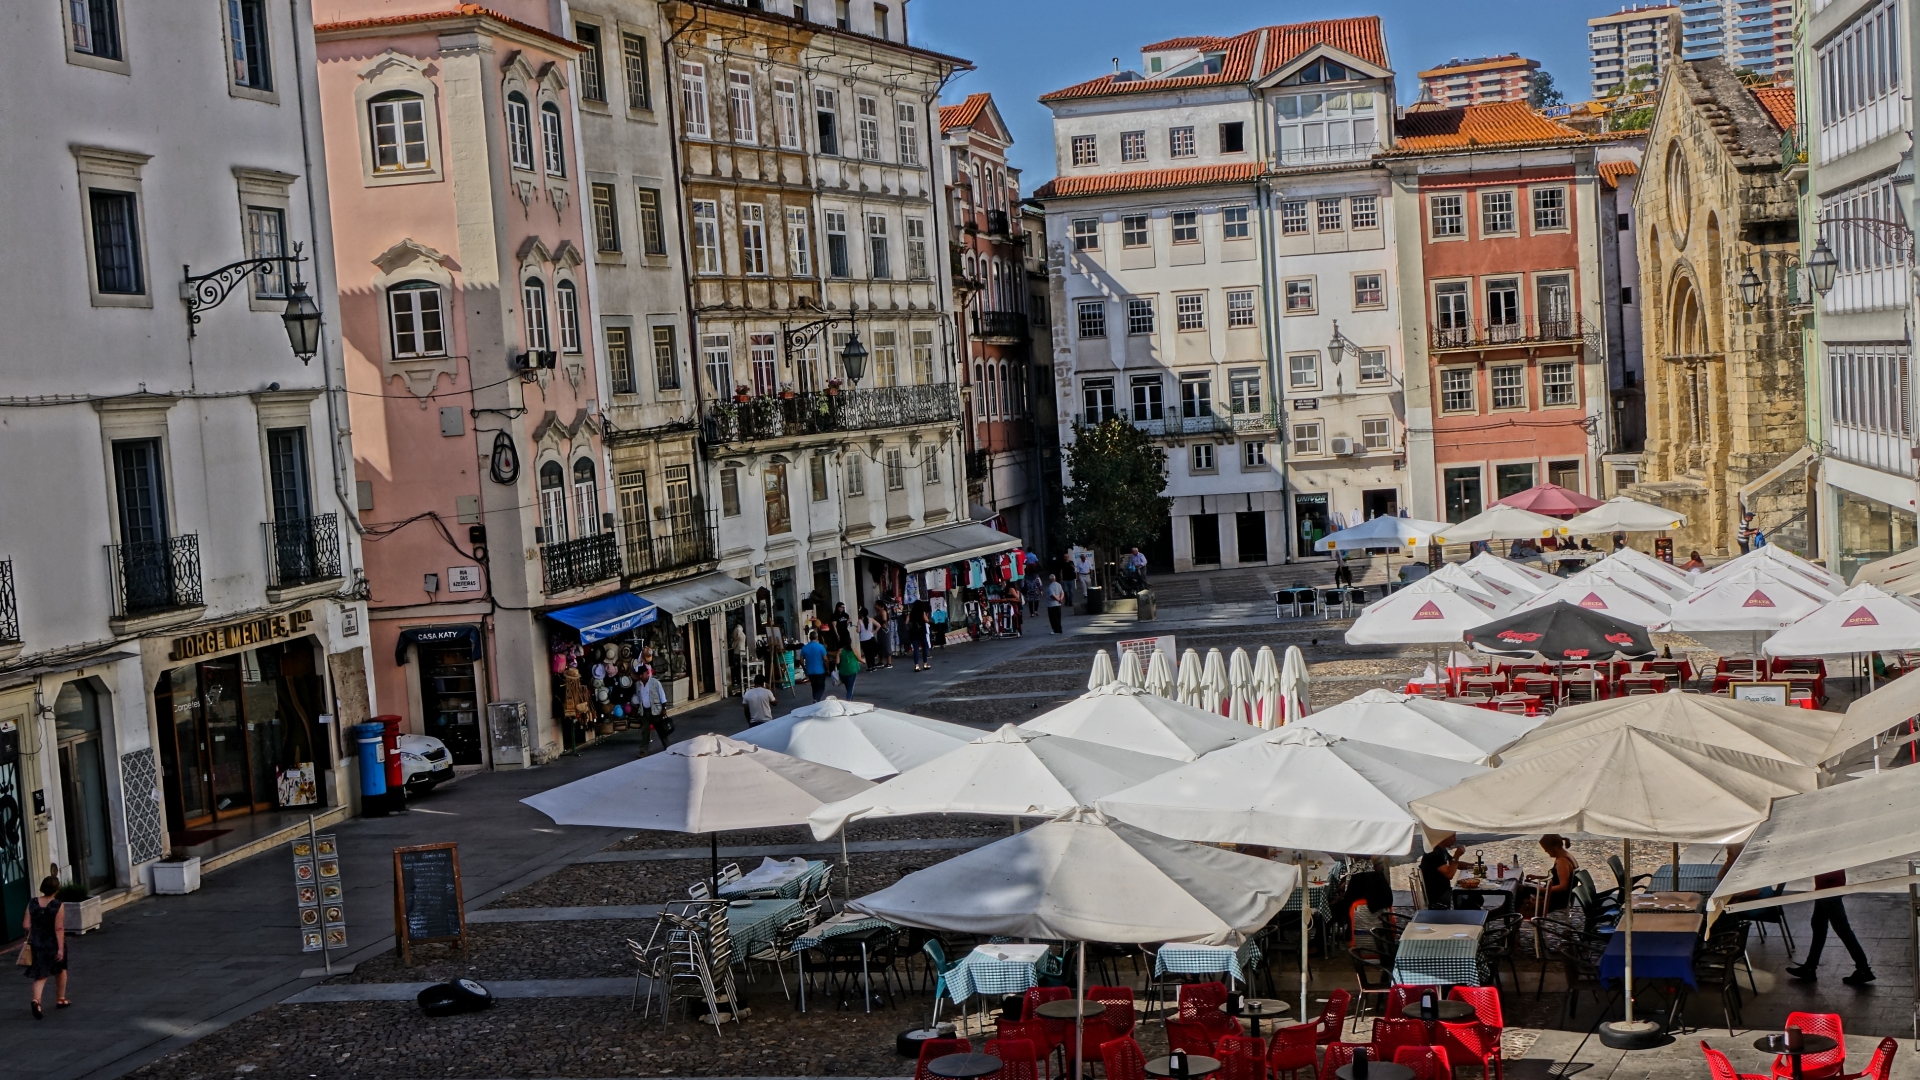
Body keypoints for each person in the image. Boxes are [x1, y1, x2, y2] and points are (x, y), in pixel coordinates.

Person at [1787, 868, 1875, 984]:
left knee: (1841, 929)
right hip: (1827, 887)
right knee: (1819, 925)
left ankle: (1863, 969)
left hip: (1828, 887)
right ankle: (1810, 966)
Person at [22, 875, 67, 1018]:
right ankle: (60, 998)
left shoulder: (33, 903)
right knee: (60, 969)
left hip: (36, 942)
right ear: (56, 889)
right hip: (52, 942)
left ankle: (36, 1001)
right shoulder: (57, 905)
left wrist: (34, 931)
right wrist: (60, 948)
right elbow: (58, 928)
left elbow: (26, 925)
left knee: (40, 975)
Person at [1516, 834, 1579, 916]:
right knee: (1525, 884)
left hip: (1557, 898)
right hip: (1556, 894)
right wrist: (1536, 877)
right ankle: (1521, 911)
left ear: (1554, 847)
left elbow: (1563, 886)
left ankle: (1518, 912)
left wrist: (1544, 890)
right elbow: (1556, 877)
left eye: (1547, 849)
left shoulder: (1562, 861)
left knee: (1520, 889)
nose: (1546, 852)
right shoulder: (1565, 856)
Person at [1419, 834, 1464, 910]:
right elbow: (1449, 874)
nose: (1455, 840)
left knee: (1475, 898)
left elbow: (1454, 864)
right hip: (1438, 897)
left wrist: (1475, 866)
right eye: (1453, 837)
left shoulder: (1441, 850)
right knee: (1470, 898)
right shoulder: (1434, 853)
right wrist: (1456, 856)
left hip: (1445, 891)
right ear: (1443, 837)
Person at [633, 665, 671, 753]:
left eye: (642, 674)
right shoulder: (638, 685)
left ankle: (668, 747)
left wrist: (664, 708)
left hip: (655, 710)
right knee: (645, 732)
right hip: (645, 711)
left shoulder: (655, 682)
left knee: (661, 730)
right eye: (639, 675)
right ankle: (643, 750)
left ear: (646, 673)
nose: (640, 676)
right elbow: (638, 697)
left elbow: (662, 695)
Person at [799, 633, 829, 702]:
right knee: (821, 687)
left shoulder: (804, 648)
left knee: (814, 687)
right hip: (820, 671)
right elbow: (825, 659)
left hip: (810, 671)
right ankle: (816, 699)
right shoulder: (821, 647)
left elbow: (801, 661)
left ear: (810, 638)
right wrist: (827, 669)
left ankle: (815, 700)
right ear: (817, 638)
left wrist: (804, 669)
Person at [905, 601, 932, 672]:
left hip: (913, 632)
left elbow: (906, 622)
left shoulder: (911, 613)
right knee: (924, 647)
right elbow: (926, 620)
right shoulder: (922, 612)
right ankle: (925, 663)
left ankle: (916, 665)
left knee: (916, 648)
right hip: (921, 631)